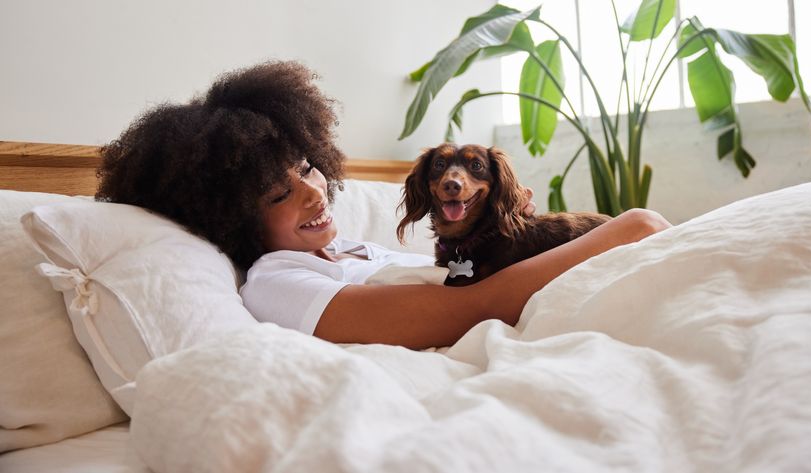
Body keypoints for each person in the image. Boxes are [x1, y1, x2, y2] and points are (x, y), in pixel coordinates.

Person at [97, 61, 671, 350]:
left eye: (306, 168)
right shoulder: (276, 280)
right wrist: (623, 229)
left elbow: (466, 274)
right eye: (279, 193)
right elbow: (467, 309)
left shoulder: (351, 248)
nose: (315, 192)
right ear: (232, 218)